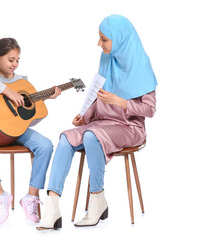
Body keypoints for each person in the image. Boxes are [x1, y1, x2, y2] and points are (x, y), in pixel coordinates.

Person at [37, 14, 157, 230]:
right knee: (66, 137)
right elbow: (98, 95)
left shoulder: (141, 64)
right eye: (99, 38)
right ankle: (52, 207)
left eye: (103, 39)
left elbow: (150, 110)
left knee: (92, 137)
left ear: (119, 39)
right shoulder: (107, 58)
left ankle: (97, 199)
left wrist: (121, 102)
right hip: (100, 124)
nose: (98, 44)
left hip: (129, 127)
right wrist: (85, 116)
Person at [0, 38, 61, 225]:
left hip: (16, 132)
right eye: (11, 60)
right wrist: (7, 92)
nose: (15, 64)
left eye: (17, 60)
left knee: (45, 145)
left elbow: (29, 120)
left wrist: (46, 100)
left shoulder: (22, 82)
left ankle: (31, 197)